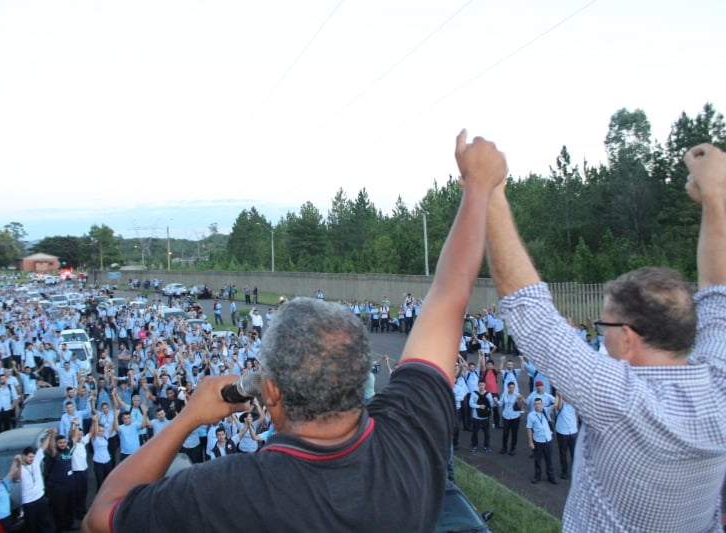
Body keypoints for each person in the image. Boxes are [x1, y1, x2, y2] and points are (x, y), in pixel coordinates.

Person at [82, 129, 503, 533]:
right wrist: (478, 187)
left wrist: (188, 418)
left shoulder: (226, 491)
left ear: (273, 393)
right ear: (360, 378)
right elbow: (450, 293)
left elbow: (101, 517)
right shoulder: (411, 435)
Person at [484, 139, 726, 530]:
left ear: (628, 337)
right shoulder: (720, 386)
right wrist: (716, 197)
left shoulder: (619, 401)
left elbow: (532, 315)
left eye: (604, 326)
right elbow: (720, 294)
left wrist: (489, 190)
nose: (602, 336)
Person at [16, 430, 53, 533]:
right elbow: (18, 477)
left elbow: (43, 447)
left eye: (33, 456)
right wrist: (19, 464)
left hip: (40, 497)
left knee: (45, 521)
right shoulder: (20, 468)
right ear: (24, 456)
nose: (32, 459)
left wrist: (50, 435)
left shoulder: (36, 461)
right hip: (28, 502)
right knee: (31, 525)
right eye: (29, 457)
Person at [526, 397, 556, 484]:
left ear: (542, 404)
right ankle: (537, 476)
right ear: (534, 405)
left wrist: (558, 395)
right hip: (538, 441)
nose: (537, 405)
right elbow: (529, 429)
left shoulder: (545, 411)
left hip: (547, 440)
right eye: (535, 404)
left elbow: (556, 405)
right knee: (537, 460)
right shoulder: (531, 415)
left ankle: (551, 477)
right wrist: (530, 441)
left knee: (549, 459)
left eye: (539, 404)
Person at [554, 391, 578, 480]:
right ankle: (564, 471)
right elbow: (558, 407)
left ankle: (575, 472)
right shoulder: (559, 403)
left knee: (574, 453)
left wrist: (575, 425)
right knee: (563, 453)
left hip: (573, 431)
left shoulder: (573, 404)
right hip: (562, 432)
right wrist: (559, 396)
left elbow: (576, 415)